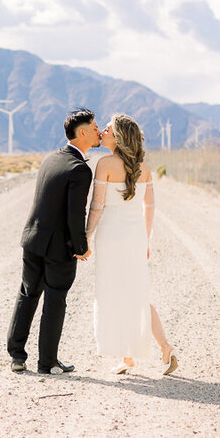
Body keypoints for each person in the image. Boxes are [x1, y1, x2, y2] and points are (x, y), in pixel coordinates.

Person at [6, 108, 99, 374]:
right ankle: (47, 362)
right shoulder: (80, 169)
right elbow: (75, 214)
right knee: (55, 301)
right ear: (82, 133)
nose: (98, 131)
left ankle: (17, 356)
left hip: (32, 240)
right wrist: (81, 247)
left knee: (27, 294)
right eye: (94, 127)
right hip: (58, 248)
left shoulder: (51, 158)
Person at [85, 114, 177, 375]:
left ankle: (138, 353)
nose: (101, 131)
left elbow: (97, 206)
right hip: (135, 235)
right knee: (136, 294)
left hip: (111, 237)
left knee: (115, 293)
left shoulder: (105, 164)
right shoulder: (143, 168)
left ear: (118, 137)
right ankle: (152, 350)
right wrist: (145, 238)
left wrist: (87, 236)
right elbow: (150, 205)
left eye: (107, 129)